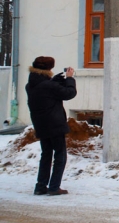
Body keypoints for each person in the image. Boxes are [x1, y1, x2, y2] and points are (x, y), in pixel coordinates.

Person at [25, 56, 77, 195]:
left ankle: (40, 186)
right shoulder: (49, 86)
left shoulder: (31, 85)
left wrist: (58, 79)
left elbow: (48, 88)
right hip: (55, 124)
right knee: (60, 155)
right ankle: (54, 187)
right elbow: (69, 93)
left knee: (46, 154)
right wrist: (70, 79)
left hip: (41, 124)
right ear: (49, 69)